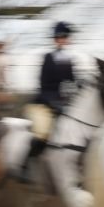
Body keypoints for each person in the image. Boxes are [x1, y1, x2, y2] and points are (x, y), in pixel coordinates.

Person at [25, 21, 77, 159]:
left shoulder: (69, 59)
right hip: (43, 103)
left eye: (65, 37)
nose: (62, 40)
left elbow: (72, 82)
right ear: (55, 39)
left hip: (62, 103)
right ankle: (26, 163)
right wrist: (54, 101)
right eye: (59, 37)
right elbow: (43, 85)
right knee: (43, 133)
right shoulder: (48, 58)